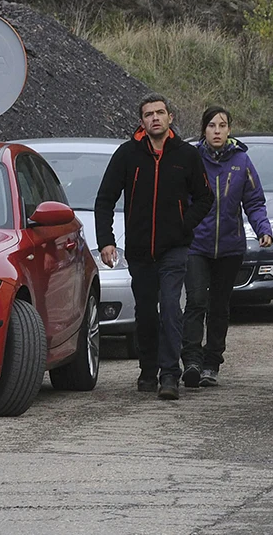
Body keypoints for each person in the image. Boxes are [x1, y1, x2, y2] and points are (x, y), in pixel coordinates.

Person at [96, 94, 214, 400]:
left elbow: (205, 198)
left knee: (172, 308)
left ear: (170, 117)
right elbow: (105, 198)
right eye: (148, 114)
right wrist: (106, 241)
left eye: (160, 113)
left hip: (174, 249)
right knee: (146, 312)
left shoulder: (186, 155)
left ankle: (169, 375)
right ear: (142, 121)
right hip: (138, 250)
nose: (155, 118)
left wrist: (182, 224)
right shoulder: (127, 155)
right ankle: (148, 370)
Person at [182, 107, 273, 388]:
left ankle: (212, 363)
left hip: (230, 248)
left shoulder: (242, 162)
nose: (217, 131)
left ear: (230, 130)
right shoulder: (191, 160)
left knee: (219, 306)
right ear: (204, 130)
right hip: (196, 245)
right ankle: (192, 361)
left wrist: (263, 229)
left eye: (222, 125)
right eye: (212, 125)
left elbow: (254, 202)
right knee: (196, 301)